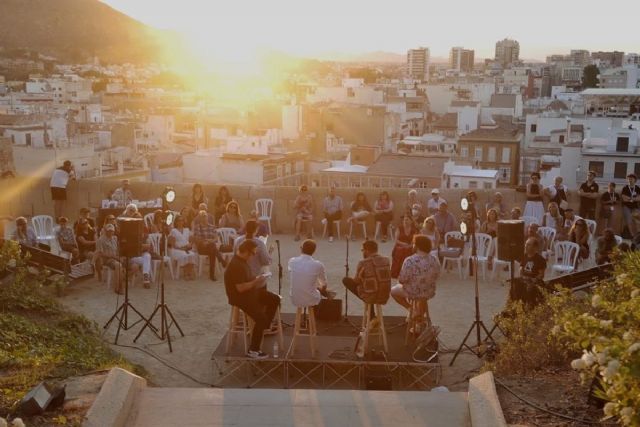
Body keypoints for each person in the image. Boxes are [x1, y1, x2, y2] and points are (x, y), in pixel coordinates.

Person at [224, 239, 280, 359]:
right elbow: (240, 288)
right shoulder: (236, 265)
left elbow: (247, 279)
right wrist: (257, 281)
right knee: (260, 318)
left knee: (274, 299)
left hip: (250, 292)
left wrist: (258, 278)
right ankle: (253, 350)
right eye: (253, 253)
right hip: (240, 298)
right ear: (246, 252)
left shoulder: (242, 261)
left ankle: (264, 327)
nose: (254, 256)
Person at [391, 235, 441, 325]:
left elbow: (402, 279)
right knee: (422, 297)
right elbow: (437, 275)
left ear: (416, 246)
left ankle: (411, 310)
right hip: (429, 291)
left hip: (413, 292)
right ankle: (419, 317)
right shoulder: (434, 259)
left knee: (393, 291)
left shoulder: (410, 260)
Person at [342, 240, 391, 317]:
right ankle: (372, 316)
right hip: (384, 295)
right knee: (370, 285)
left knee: (346, 280)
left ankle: (372, 317)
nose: (363, 252)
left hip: (371, 296)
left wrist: (361, 277)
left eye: (363, 250)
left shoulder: (363, 263)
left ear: (367, 251)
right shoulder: (386, 260)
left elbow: (356, 281)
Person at [288, 239, 334, 308]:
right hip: (311, 299)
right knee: (318, 289)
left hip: (294, 299)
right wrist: (322, 290)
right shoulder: (318, 265)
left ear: (301, 249)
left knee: (308, 286)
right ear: (314, 251)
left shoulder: (292, 261)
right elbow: (324, 284)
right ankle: (316, 315)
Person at [192, 209, 227, 281]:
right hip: (202, 247)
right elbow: (198, 239)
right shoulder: (197, 227)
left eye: (205, 216)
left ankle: (212, 275)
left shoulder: (212, 227)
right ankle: (221, 260)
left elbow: (216, 238)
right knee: (213, 248)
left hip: (210, 246)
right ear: (199, 218)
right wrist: (208, 241)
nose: (204, 218)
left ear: (207, 217)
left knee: (212, 251)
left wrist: (209, 241)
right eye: (202, 216)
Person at [96, 224, 122, 294]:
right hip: (107, 260)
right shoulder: (100, 240)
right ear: (105, 231)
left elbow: (118, 250)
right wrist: (113, 257)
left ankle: (122, 280)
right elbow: (100, 253)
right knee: (118, 265)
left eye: (112, 231)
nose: (110, 232)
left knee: (130, 263)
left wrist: (120, 256)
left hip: (116, 258)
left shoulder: (115, 238)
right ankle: (118, 287)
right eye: (109, 231)